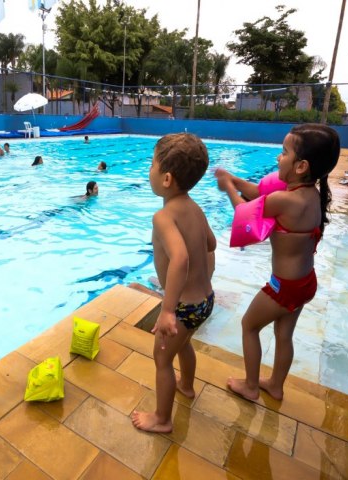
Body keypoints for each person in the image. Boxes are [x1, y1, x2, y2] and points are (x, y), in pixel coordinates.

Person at [215, 123, 340, 402]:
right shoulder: (311, 194)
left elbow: (245, 214)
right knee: (284, 334)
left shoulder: (285, 200)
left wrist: (228, 189)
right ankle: (275, 385)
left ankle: (250, 386)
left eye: (284, 152)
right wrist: (234, 178)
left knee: (249, 325)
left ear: (301, 166)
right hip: (305, 283)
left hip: (283, 287)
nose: (278, 157)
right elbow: (259, 193)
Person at [131, 133, 216, 433]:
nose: (149, 169)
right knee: (184, 344)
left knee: (162, 358)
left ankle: (162, 419)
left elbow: (179, 258)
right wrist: (204, 281)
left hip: (182, 306)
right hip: (204, 300)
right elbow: (210, 243)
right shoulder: (195, 208)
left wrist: (168, 311)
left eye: (151, 164)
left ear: (166, 178)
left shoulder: (164, 216)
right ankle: (188, 387)